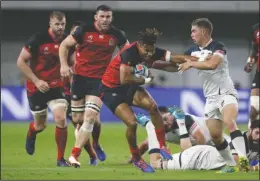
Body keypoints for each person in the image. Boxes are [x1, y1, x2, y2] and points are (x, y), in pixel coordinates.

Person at [100, 27, 200, 172]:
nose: (149, 54)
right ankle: (136, 158)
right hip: (111, 89)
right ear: (139, 45)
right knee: (132, 123)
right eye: (146, 50)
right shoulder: (129, 53)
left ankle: (162, 145)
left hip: (130, 86)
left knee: (153, 108)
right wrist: (145, 79)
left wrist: (196, 61)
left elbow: (175, 58)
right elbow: (124, 79)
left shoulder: (151, 51)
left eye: (151, 50)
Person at [59, 5, 129, 167]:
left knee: (90, 116)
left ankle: (74, 155)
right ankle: (94, 145)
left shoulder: (117, 34)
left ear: (111, 18)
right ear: (96, 17)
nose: (105, 20)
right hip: (79, 79)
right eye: (102, 16)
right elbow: (64, 45)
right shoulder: (83, 30)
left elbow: (128, 52)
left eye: (108, 17)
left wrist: (123, 69)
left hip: (100, 80)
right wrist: (63, 66)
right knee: (79, 119)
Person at [178, 18, 249, 172]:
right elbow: (177, 65)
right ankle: (231, 165)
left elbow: (213, 64)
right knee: (215, 135)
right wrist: (152, 62)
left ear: (204, 31)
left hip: (226, 93)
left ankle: (243, 160)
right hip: (210, 99)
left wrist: (191, 63)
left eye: (194, 30)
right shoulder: (191, 51)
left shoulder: (218, 47)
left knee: (229, 121)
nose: (191, 34)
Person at [16, 11, 70, 167]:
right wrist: (37, 80)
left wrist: (71, 68)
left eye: (63, 24)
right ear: (50, 23)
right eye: (57, 24)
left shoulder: (68, 40)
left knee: (60, 118)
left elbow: (73, 60)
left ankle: (60, 159)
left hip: (56, 86)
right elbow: (20, 62)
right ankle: (32, 132)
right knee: (41, 125)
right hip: (36, 86)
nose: (60, 27)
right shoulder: (38, 39)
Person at [133, 105, 231, 160]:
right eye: (161, 121)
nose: (165, 123)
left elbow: (200, 138)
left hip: (223, 144)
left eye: (166, 118)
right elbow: (145, 144)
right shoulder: (161, 130)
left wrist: (199, 158)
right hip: (211, 149)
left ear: (170, 114)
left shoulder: (185, 119)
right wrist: (134, 159)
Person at [244, 23, 260, 128]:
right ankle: (250, 132)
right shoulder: (256, 29)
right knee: (253, 108)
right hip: (259, 73)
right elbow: (254, 51)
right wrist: (249, 62)